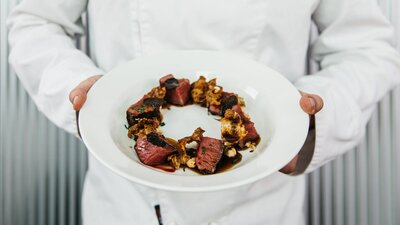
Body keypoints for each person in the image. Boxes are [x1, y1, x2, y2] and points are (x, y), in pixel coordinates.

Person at [7, 0, 400, 224]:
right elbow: (35, 22)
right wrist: (83, 92)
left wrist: (311, 126)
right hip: (127, 203)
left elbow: (367, 50)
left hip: (262, 204)